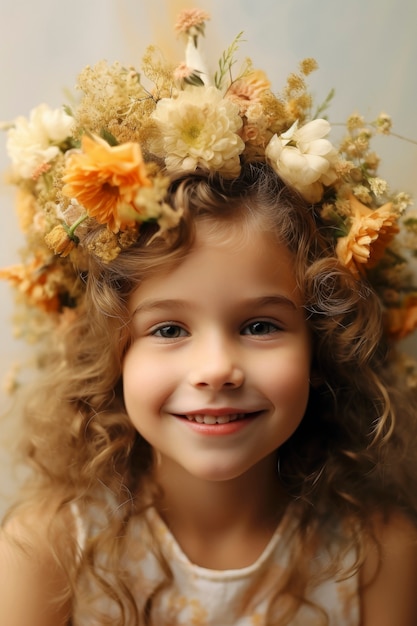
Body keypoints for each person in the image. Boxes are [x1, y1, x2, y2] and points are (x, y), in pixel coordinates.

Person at [1, 8, 417, 626]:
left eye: (260, 325)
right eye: (168, 329)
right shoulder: (48, 546)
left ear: (321, 341)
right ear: (109, 350)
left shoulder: (379, 550)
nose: (218, 368)